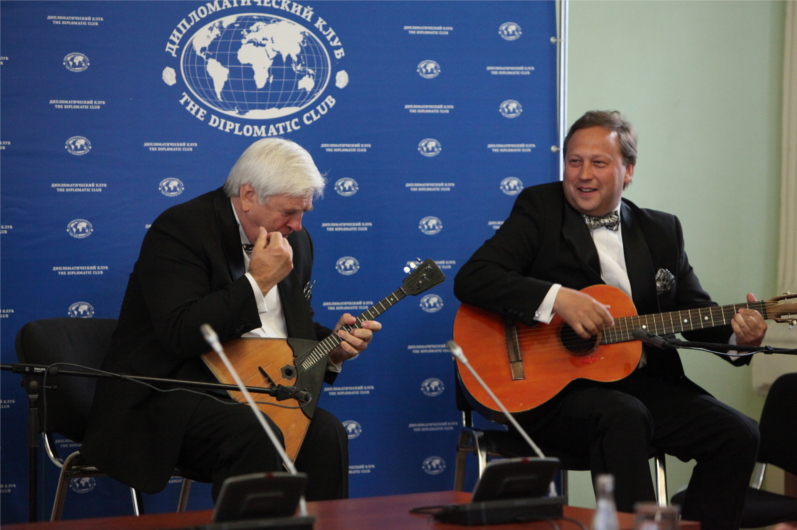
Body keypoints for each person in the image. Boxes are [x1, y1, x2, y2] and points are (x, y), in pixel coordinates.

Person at [454, 110, 767, 530]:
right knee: (623, 415)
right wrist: (558, 299)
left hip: (642, 383)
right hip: (552, 393)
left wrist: (739, 337)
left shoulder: (661, 230)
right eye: (574, 161)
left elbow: (695, 311)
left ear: (628, 170)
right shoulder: (540, 209)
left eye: (598, 163)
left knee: (738, 434)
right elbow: (474, 278)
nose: (583, 175)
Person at [82, 138, 381, 502]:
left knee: (326, 433)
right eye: (288, 212)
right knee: (254, 432)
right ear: (248, 195)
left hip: (258, 391)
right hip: (174, 391)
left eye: (304, 211)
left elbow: (283, 331)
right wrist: (258, 282)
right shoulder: (181, 229)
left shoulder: (297, 242)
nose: (298, 225)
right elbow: (181, 333)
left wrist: (333, 348)